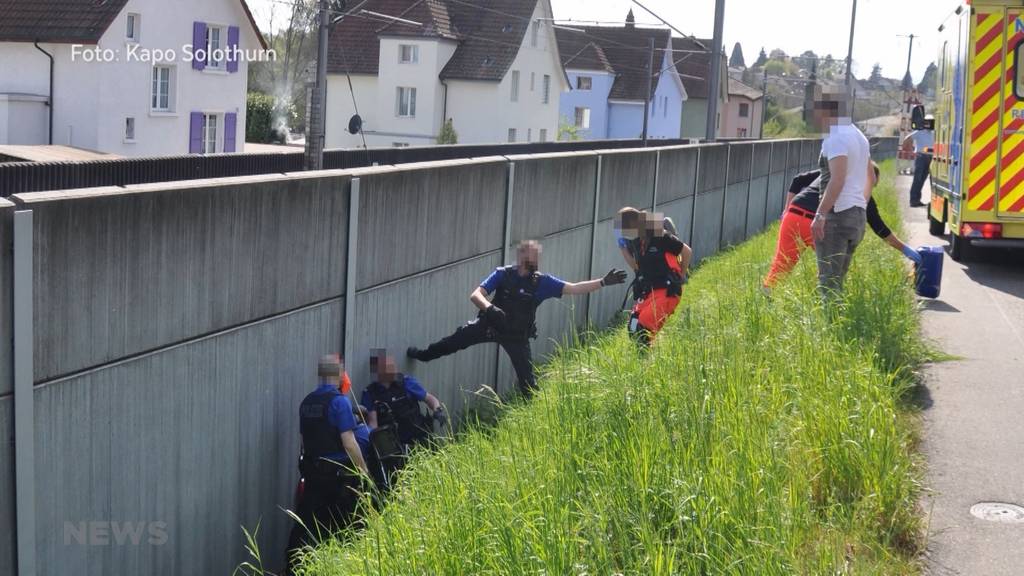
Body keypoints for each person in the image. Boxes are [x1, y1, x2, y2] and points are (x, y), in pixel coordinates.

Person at [407, 240, 627, 396]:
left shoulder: (541, 282)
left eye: (536, 257)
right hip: (490, 326)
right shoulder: (503, 274)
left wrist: (603, 282)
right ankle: (424, 355)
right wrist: (489, 308)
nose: (534, 260)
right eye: (530, 256)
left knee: (528, 385)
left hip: (516, 337)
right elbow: (476, 294)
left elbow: (574, 288)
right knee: (455, 340)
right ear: (521, 257)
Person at [762, 165, 923, 290]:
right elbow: (880, 228)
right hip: (818, 224)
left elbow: (798, 180)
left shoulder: (834, 172)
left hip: (793, 216)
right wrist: (906, 250)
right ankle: (825, 305)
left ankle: (766, 299)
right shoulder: (862, 193)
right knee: (833, 269)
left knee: (782, 265)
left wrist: (786, 209)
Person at [286, 355, 371, 569]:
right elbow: (350, 443)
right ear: (339, 374)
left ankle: (293, 568)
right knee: (346, 527)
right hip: (338, 478)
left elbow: (305, 440)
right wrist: (364, 471)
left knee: (304, 524)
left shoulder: (306, 402)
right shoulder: (339, 402)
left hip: (313, 473)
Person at [810, 89, 874, 301]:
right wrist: (859, 205)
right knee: (838, 282)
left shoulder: (836, 137)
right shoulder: (859, 136)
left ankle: (830, 329)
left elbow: (837, 180)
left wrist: (820, 215)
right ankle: (840, 327)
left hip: (836, 217)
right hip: (857, 218)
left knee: (828, 284)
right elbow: (871, 178)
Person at [616, 209, 693, 345]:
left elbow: (686, 251)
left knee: (642, 329)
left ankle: (644, 361)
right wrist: (622, 248)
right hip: (648, 293)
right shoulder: (638, 243)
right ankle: (650, 356)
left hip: (666, 290)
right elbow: (637, 267)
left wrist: (681, 273)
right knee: (633, 327)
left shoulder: (660, 236)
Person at [361, 349, 446, 447]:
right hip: (395, 445)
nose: (392, 369)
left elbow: (429, 398)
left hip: (419, 438)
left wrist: (437, 410)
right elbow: (373, 425)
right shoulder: (371, 393)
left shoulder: (406, 382)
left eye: (392, 365)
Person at [903, 115, 934, 207]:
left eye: (930, 122)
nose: (929, 124)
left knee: (924, 179)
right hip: (921, 157)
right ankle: (913, 200)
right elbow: (907, 139)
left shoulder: (934, 133)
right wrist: (911, 152)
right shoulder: (919, 132)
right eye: (927, 122)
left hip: (932, 158)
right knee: (918, 179)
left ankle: (918, 200)